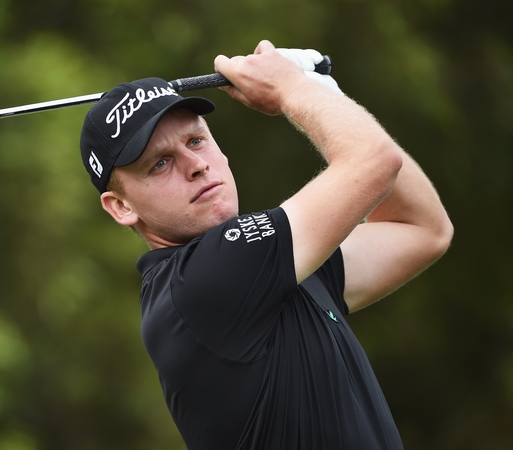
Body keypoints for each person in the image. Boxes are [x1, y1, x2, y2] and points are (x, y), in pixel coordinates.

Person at [79, 40, 452, 449]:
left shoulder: (273, 269)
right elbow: (376, 162)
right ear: (121, 207)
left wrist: (325, 92)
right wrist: (293, 87)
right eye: (161, 163)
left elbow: (422, 228)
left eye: (196, 141)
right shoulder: (205, 279)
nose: (196, 165)